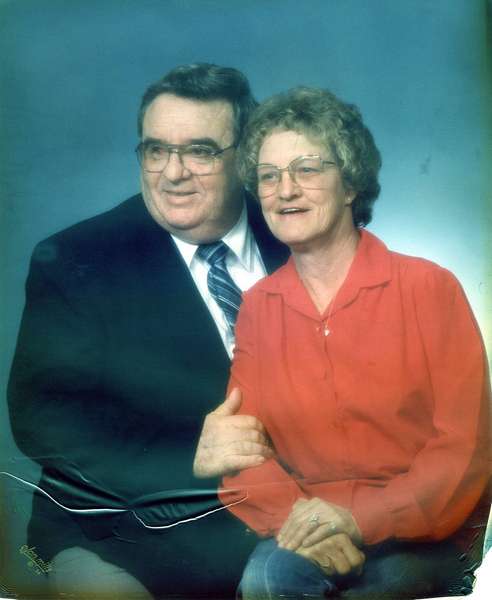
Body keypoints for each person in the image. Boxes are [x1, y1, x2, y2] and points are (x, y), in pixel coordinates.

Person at [7, 63, 288, 598]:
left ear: (247, 158)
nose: (172, 173)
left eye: (200, 151)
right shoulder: (79, 259)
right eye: (156, 150)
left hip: (285, 517)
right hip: (122, 534)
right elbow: (42, 419)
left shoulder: (295, 232)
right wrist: (190, 453)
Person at [219, 86, 491, 599]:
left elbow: (465, 449)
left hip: (424, 532)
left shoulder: (428, 288)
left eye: (306, 169)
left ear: (349, 184)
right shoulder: (259, 307)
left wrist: (359, 519)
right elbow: (240, 451)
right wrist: (303, 523)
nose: (285, 190)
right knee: (265, 580)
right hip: (306, 526)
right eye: (269, 176)